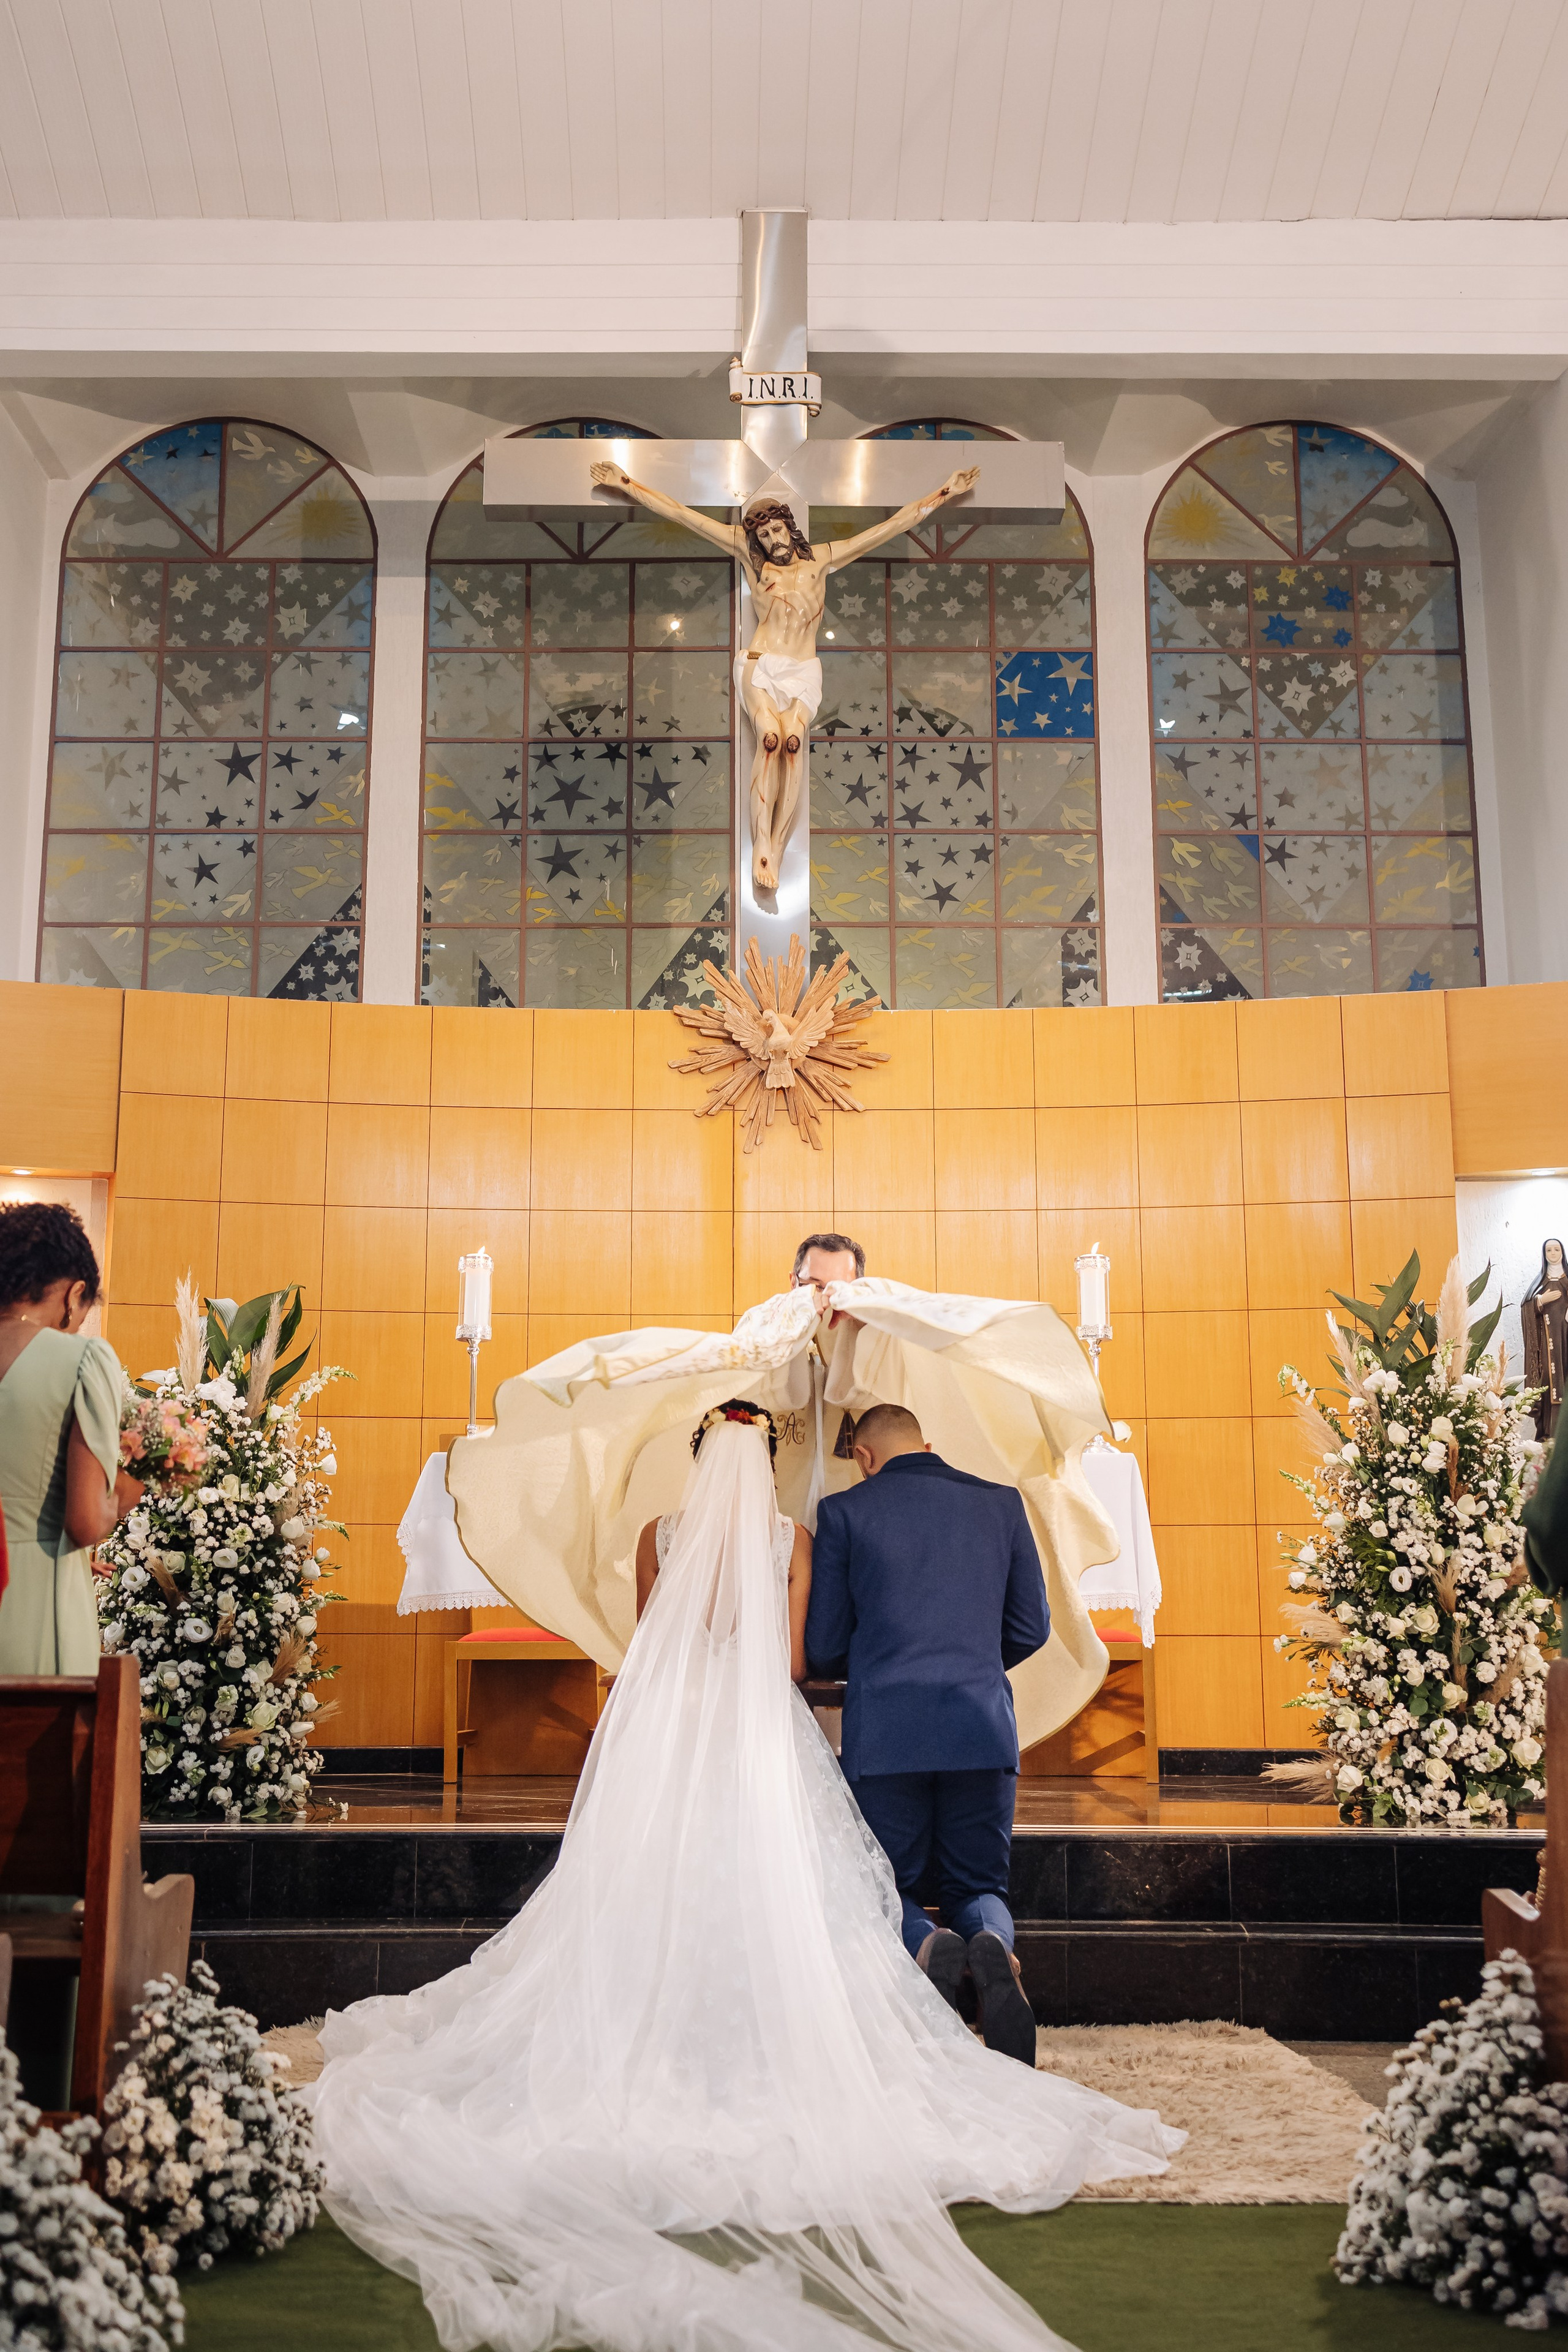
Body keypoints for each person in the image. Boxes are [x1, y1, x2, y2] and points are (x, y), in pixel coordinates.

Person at [310, 1403, 1179, 2352]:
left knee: (743, 1877)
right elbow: (817, 1656)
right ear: (769, 1461)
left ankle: (918, 1949)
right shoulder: (833, 1530)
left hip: (688, 1731)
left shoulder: (666, 1534)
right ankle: (984, 1951)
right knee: (917, 1878)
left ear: (700, 1458)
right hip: (910, 1721)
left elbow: (662, 1644)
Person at [807, 1402, 1046, 2066]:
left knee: (894, 1884)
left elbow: (824, 1646)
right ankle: (993, 1945)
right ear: (927, 1444)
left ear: (863, 1455)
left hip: (888, 1731)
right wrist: (966, 1662)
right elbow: (1031, 1627)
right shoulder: (999, 1503)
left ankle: (925, 1945)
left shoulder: (845, 1513)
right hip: (979, 1724)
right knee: (979, 1886)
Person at [0, 1201, 138, 1675]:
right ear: (74, 1293)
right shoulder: (81, 1358)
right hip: (33, 1597)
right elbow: (84, 1522)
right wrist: (138, 1478)